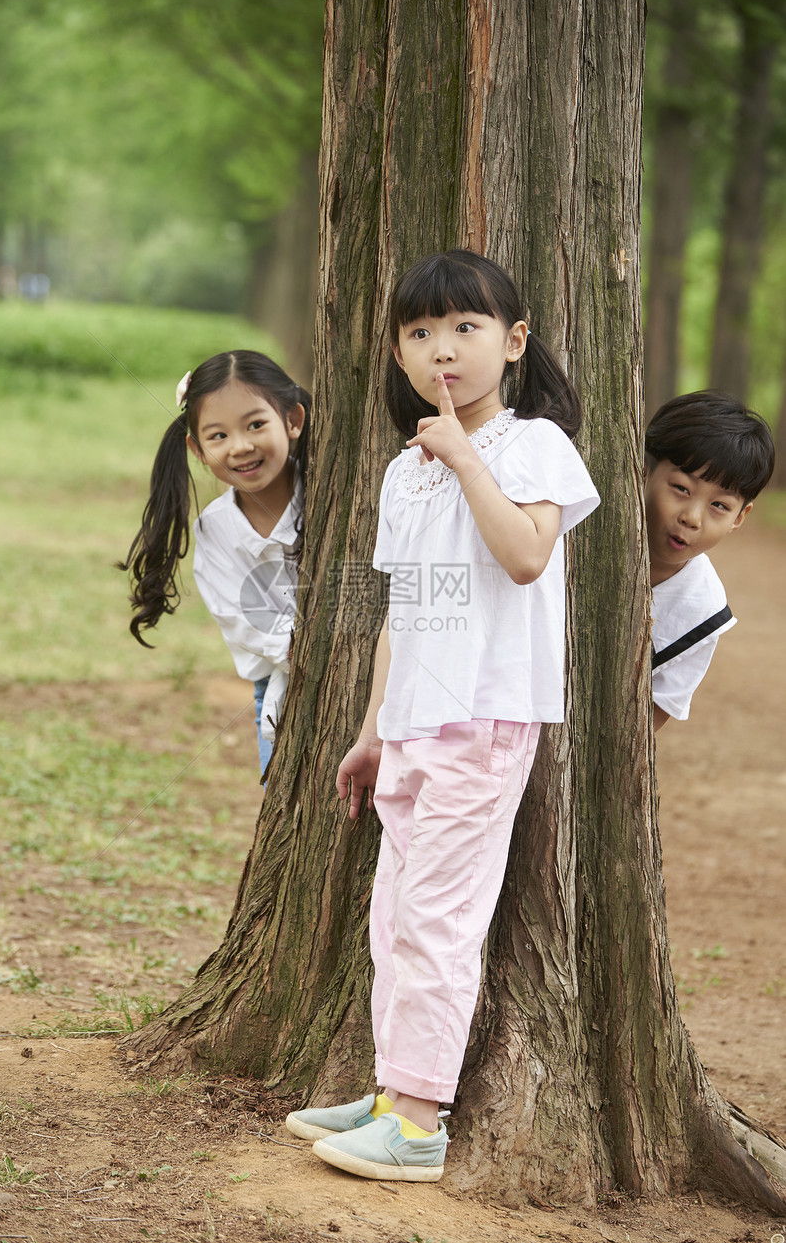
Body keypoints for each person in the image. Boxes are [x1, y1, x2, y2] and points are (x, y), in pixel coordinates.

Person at [285, 249, 600, 1181]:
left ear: (513, 342)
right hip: (417, 720)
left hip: (490, 714)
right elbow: (399, 607)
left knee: (440, 918)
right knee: (393, 915)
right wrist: (374, 726)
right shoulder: (399, 470)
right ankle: (390, 1092)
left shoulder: (534, 442)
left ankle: (419, 1122)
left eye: (465, 328)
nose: (443, 350)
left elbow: (528, 557)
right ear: (398, 353)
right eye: (420, 333)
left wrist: (465, 455)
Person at [119, 351, 310, 773]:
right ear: (197, 449)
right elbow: (246, 620)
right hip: (281, 692)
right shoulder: (215, 531)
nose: (241, 447)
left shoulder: (328, 492)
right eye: (218, 436)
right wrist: (317, 653)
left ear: (292, 420)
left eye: (256, 425)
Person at [644, 391, 775, 732]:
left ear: (739, 517)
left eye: (719, 506)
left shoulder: (704, 612)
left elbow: (647, 722)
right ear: (643, 470)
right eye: (681, 488)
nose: (692, 517)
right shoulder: (577, 534)